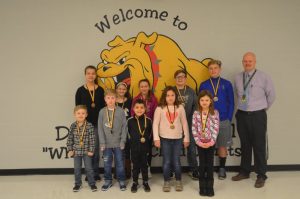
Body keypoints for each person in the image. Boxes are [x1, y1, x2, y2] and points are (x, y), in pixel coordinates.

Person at [232, 52, 275, 188]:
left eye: (250, 61)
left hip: (257, 115)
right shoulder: (238, 78)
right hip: (242, 115)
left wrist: (261, 109)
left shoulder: (264, 77)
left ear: (255, 62)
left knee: (259, 145)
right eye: (245, 61)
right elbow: (237, 96)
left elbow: (272, 96)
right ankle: (244, 171)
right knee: (245, 144)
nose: (247, 63)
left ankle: (261, 175)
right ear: (242, 62)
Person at [199, 60, 234, 179]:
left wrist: (228, 118)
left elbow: (231, 102)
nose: (213, 70)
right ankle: (207, 169)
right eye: (211, 68)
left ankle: (222, 168)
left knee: (222, 146)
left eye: (215, 68)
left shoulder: (227, 84)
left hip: (224, 120)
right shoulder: (204, 84)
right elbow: (200, 103)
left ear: (219, 69)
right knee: (207, 145)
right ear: (208, 70)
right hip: (208, 121)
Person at [153, 86, 190, 192]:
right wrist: (156, 138)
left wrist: (186, 137)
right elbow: (155, 124)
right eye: (168, 95)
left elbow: (184, 123)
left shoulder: (180, 108)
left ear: (176, 96)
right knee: (167, 161)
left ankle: (178, 180)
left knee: (177, 161)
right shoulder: (160, 108)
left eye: (172, 95)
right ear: (164, 96)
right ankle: (167, 181)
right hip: (164, 139)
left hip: (178, 138)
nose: (170, 98)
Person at [75, 65, 105, 181]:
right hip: (85, 125)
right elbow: (77, 109)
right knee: (87, 149)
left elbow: (103, 109)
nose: (91, 75)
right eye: (88, 73)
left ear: (95, 75)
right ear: (85, 75)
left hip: (97, 124)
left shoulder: (100, 90)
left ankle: (95, 173)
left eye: (93, 73)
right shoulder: (80, 90)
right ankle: (89, 173)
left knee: (95, 150)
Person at [98, 89, 127, 191]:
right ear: (105, 99)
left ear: (116, 99)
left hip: (119, 144)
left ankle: (122, 180)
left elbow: (124, 127)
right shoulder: (102, 112)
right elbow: (100, 128)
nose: (110, 100)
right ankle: (108, 181)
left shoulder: (120, 111)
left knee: (120, 163)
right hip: (106, 144)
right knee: (107, 164)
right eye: (108, 98)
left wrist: (123, 140)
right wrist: (102, 142)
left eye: (113, 98)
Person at [192, 90, 219, 197]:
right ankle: (202, 187)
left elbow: (216, 129)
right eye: (202, 100)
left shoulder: (215, 113)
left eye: (207, 100)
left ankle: (210, 187)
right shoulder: (196, 113)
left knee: (210, 165)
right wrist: (198, 142)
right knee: (202, 165)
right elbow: (193, 128)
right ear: (199, 101)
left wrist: (211, 142)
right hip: (200, 144)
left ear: (211, 101)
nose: (204, 102)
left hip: (210, 143)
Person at [173, 69, 199, 180]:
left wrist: (191, 120)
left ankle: (193, 170)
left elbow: (196, 107)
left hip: (189, 124)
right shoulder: (170, 91)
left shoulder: (191, 91)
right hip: (174, 125)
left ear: (185, 78)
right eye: (178, 77)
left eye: (182, 76)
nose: (180, 78)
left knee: (192, 148)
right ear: (175, 79)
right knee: (175, 149)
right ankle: (174, 170)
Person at [67, 105, 98, 192]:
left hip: (86, 152)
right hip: (76, 152)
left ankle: (92, 183)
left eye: (83, 113)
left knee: (89, 168)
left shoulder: (89, 126)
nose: (81, 115)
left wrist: (91, 150)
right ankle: (77, 184)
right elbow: (70, 139)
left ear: (86, 114)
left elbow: (92, 140)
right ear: (74, 114)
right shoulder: (73, 126)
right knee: (77, 168)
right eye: (78, 113)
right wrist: (70, 149)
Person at [131, 79, 158, 177]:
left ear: (149, 87)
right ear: (139, 87)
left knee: (147, 150)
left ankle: (147, 169)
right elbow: (132, 113)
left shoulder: (154, 99)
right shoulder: (135, 99)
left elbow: (156, 114)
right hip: (138, 128)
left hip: (148, 128)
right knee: (137, 150)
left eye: (146, 86)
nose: (144, 88)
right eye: (142, 86)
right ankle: (137, 170)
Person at [127, 99, 152, 193]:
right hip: (134, 148)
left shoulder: (148, 120)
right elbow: (128, 134)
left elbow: (150, 135)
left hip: (145, 148)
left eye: (142, 107)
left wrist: (146, 143)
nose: (139, 109)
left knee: (145, 166)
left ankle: (145, 182)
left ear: (145, 109)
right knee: (135, 166)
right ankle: (135, 182)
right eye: (137, 107)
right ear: (133, 109)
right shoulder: (129, 121)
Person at [116, 82, 132, 179]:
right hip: (116, 130)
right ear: (116, 90)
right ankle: (118, 172)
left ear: (126, 90)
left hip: (127, 130)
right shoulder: (113, 101)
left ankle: (127, 172)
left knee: (127, 151)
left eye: (123, 89)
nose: (121, 91)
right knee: (117, 151)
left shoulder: (130, 100)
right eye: (119, 89)